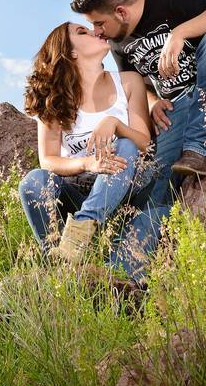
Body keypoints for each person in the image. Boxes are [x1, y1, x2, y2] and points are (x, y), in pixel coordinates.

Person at [69, 0, 206, 267]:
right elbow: (139, 86)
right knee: (157, 190)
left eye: (98, 23)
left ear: (121, 12)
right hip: (181, 110)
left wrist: (180, 33)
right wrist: (154, 102)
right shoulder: (120, 43)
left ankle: (200, 148)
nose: (97, 32)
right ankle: (123, 272)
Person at [18, 21, 157, 277]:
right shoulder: (54, 97)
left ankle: (79, 233)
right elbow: (48, 160)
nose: (95, 31)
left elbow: (144, 144)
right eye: (82, 32)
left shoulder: (128, 82)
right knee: (33, 181)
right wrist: (86, 163)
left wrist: (115, 124)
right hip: (79, 188)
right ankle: (58, 261)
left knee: (124, 144)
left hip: (125, 187)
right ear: (70, 52)